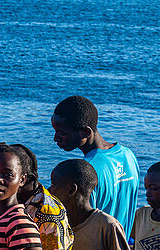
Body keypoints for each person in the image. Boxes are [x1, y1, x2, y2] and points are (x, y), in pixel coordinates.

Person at [51, 95, 140, 236]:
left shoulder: (86, 171)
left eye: (62, 133)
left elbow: (80, 223)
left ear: (85, 132)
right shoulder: (128, 155)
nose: (55, 138)